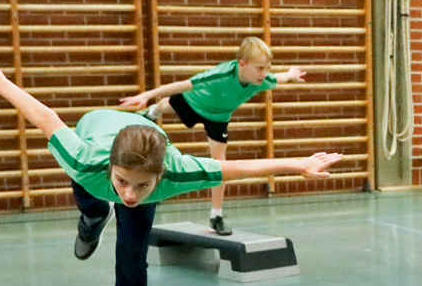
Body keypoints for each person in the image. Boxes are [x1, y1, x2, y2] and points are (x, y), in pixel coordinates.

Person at [0, 48, 340, 286]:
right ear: (112, 168)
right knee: (90, 197)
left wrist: (298, 165)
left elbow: (235, 168)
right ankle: (92, 218)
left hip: (146, 137)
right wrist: (0, 83)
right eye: (123, 182)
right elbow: (45, 116)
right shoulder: (85, 160)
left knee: (132, 255)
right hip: (96, 131)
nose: (129, 194)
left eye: (142, 185)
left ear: (160, 177)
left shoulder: (176, 172)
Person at [118, 37, 306, 235]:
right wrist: (146, 96)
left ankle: (216, 216)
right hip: (194, 102)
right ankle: (152, 112)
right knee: (167, 104)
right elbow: (183, 85)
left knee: (219, 165)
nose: (264, 73)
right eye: (260, 68)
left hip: (218, 118)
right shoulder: (220, 75)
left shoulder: (262, 81)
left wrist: (290, 74)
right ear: (242, 64)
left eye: (267, 68)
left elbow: (279, 78)